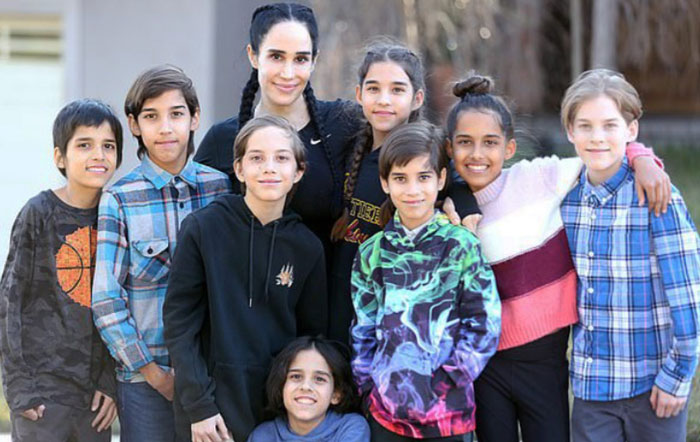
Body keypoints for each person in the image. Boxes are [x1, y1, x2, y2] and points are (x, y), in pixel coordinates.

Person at [444, 73, 669, 442]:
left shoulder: (539, 179)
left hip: (545, 363)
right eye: (465, 144)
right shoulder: (448, 210)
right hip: (486, 364)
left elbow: (597, 152)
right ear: (450, 149)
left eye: (490, 143)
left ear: (510, 148)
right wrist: (452, 193)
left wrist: (641, 156)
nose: (478, 154)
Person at [164, 115, 328, 442]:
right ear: (239, 170)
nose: (269, 167)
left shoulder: (308, 247)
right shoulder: (203, 229)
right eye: (257, 158)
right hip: (210, 411)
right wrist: (199, 407)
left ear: (298, 171)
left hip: (277, 414)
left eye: (281, 158)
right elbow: (180, 324)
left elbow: (310, 337)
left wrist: (296, 413)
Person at [559, 69, 700, 442]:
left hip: (653, 389)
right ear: (570, 132)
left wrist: (679, 375)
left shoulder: (657, 199)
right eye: (585, 126)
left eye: (610, 125)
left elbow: (688, 296)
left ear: (631, 130)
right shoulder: (564, 203)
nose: (597, 137)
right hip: (592, 390)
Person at [91, 65, 231, 441]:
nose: (165, 128)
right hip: (146, 380)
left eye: (176, 114)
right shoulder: (119, 199)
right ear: (135, 125)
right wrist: (153, 372)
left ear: (195, 118)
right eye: (151, 117)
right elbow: (106, 299)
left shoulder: (221, 188)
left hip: (212, 374)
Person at [351, 122, 500, 441]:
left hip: (448, 414)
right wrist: (368, 386)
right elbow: (363, 327)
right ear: (385, 182)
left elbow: (485, 323)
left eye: (424, 177)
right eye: (400, 179)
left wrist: (449, 380)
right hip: (387, 413)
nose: (413, 189)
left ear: (441, 179)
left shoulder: (461, 246)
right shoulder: (371, 253)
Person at [328, 40, 479, 344]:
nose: (384, 99)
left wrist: (460, 200)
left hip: (393, 320)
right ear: (359, 95)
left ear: (417, 98)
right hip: (337, 306)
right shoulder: (346, 147)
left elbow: (458, 184)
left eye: (397, 90)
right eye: (373, 89)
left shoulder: (426, 155)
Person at [195, 2, 361, 263]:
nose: (288, 73)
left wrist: (447, 199)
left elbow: (408, 156)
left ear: (314, 60)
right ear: (253, 55)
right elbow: (194, 223)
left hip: (324, 297)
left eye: (301, 59)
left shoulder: (343, 124)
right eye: (276, 56)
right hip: (243, 298)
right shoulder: (222, 139)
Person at [0, 99, 122, 441]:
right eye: (85, 145)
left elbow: (120, 303)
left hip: (94, 399)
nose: (98, 155)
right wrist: (19, 387)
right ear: (60, 157)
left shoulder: (116, 215)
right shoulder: (38, 213)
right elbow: (9, 303)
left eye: (108, 146)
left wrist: (109, 382)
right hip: (43, 392)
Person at [247, 336, 370, 441]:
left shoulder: (350, 427)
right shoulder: (263, 435)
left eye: (319, 379)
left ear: (336, 394)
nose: (306, 387)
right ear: (281, 387)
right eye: (296, 376)